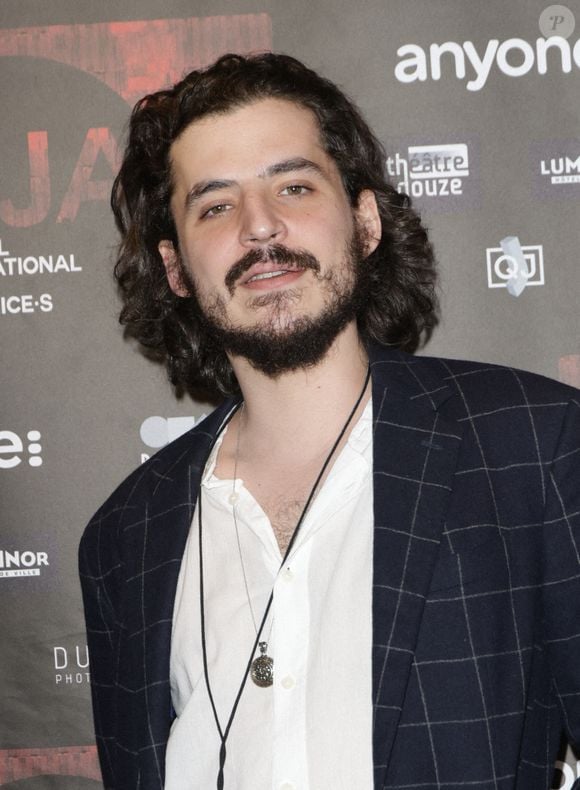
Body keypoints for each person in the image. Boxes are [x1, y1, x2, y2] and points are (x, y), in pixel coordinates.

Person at [79, 52, 580, 790]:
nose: (260, 226)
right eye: (215, 206)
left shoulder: (533, 448)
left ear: (366, 221)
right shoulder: (124, 537)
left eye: (294, 185)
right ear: (177, 268)